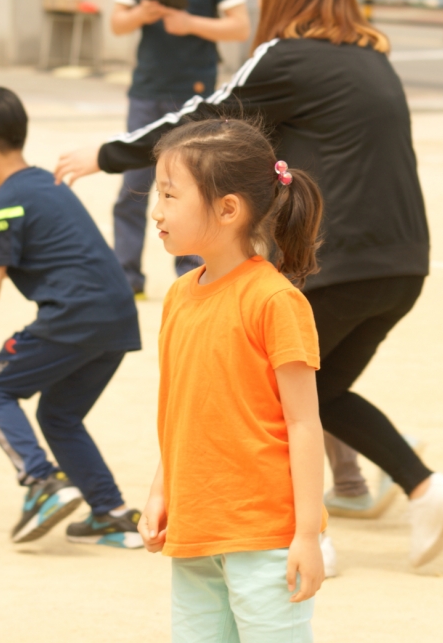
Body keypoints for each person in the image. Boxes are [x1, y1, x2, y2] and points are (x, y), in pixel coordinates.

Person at [56, 0, 443, 568]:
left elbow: (206, 120)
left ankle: (325, 529)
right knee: (317, 393)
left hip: (339, 261)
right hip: (402, 263)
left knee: (277, 404)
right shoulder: (375, 59)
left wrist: (110, 153)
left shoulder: (288, 57)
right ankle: (421, 488)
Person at [0, 87, 143, 548]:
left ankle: (42, 482)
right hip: (116, 319)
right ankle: (111, 513)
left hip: (74, 316)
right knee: (59, 414)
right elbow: (56, 251)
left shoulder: (1, 205)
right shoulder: (46, 185)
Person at [137, 118, 326, 642]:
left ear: (227, 209)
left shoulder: (274, 300)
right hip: (196, 531)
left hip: (264, 537)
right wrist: (161, 491)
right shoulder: (177, 297)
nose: (157, 210)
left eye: (171, 195)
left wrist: (307, 535)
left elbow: (304, 423)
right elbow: (184, 410)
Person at [109, 0, 250, 296]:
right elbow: (117, 23)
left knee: (195, 190)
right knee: (132, 188)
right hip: (147, 91)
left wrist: (190, 23)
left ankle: (194, 277)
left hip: (196, 94)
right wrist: (142, 14)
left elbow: (240, 27)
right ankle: (126, 277)